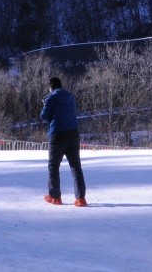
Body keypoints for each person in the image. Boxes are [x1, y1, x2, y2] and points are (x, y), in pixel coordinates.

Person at [40, 76, 87, 207]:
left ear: (51, 87)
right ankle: (80, 198)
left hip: (58, 135)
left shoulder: (50, 99)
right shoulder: (70, 97)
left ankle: (55, 197)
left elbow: (44, 116)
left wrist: (45, 105)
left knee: (53, 166)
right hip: (73, 133)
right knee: (76, 166)